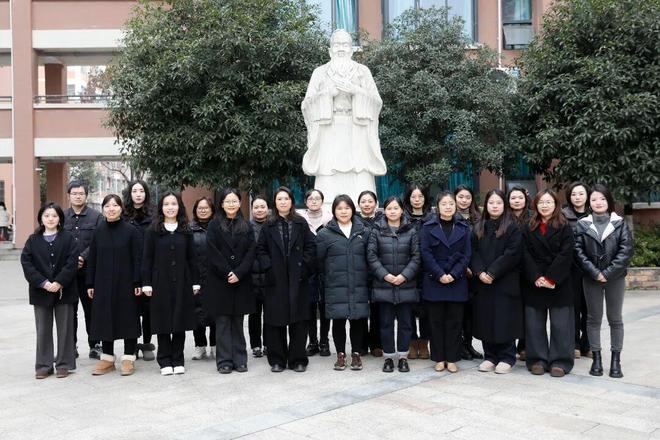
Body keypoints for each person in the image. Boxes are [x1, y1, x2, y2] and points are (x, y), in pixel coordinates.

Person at [301, 29, 387, 204]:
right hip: (329, 129)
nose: (341, 48)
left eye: (345, 44)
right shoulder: (320, 72)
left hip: (357, 128)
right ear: (330, 49)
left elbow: (376, 102)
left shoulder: (362, 71)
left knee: (360, 169)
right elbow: (306, 105)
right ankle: (327, 204)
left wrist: (356, 91)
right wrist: (327, 94)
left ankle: (364, 204)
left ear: (351, 49)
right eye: (337, 44)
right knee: (328, 168)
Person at [574, 184, 633, 378]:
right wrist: (595, 272)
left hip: (615, 278)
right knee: (593, 319)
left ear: (608, 201)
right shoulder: (582, 224)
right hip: (591, 278)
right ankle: (597, 359)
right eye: (594, 199)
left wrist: (607, 273)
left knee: (615, 319)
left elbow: (626, 250)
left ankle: (616, 360)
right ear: (589, 203)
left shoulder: (619, 223)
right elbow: (578, 252)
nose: (598, 202)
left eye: (602, 199)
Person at [257, 187, 316, 372]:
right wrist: (269, 268)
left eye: (286, 198)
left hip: (298, 279)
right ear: (275, 202)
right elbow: (261, 249)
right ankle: (277, 359)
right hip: (275, 279)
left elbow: (311, 247)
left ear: (291, 201)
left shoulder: (300, 222)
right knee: (275, 320)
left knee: (299, 320)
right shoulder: (268, 224)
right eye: (279, 199)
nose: (283, 202)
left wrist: (303, 268)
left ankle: (298, 359)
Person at [142, 192, 200, 376]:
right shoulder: (153, 230)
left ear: (179, 207)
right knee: (163, 321)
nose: (170, 207)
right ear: (161, 207)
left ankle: (178, 359)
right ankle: (165, 360)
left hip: (183, 281)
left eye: (173, 204)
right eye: (166, 204)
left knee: (180, 321)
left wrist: (195, 282)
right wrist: (146, 283)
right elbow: (147, 258)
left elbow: (192, 258)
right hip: (160, 282)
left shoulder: (185, 230)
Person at [86, 194, 142, 376]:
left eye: (115, 205)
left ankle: (128, 358)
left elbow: (137, 259)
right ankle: (107, 359)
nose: (111, 209)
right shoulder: (98, 231)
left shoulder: (131, 231)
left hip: (127, 283)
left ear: (121, 208)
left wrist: (138, 281)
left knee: (128, 318)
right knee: (104, 318)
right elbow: (92, 258)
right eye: (107, 206)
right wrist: (90, 283)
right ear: (103, 209)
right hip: (102, 283)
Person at [21, 203, 78, 379]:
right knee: (43, 329)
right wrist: (43, 283)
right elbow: (27, 263)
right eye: (46, 216)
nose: (50, 219)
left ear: (60, 218)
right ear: (41, 218)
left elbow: (72, 262)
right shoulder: (33, 240)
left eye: (54, 215)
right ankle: (44, 365)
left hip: (64, 291)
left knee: (65, 329)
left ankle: (64, 364)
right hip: (40, 291)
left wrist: (59, 282)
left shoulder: (68, 238)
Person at [522, 190, 575, 377]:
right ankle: (537, 359)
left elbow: (567, 253)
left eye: (549, 202)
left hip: (559, 281)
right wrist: (536, 276)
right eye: (541, 202)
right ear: (535, 205)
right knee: (534, 323)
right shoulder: (528, 226)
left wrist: (552, 278)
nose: (545, 205)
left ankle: (561, 361)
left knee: (561, 324)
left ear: (555, 204)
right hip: (535, 281)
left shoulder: (565, 226)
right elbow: (524, 253)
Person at [204, 189, 256, 374]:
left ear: (240, 203)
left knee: (238, 322)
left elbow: (251, 251)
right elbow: (212, 252)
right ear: (222, 204)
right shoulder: (214, 225)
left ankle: (240, 359)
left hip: (241, 281)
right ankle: (224, 361)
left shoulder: (246, 226)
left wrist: (239, 273)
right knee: (223, 322)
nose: (231, 204)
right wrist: (227, 272)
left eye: (234, 201)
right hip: (220, 281)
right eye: (228, 201)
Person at [471, 189, 523, 374]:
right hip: (483, 281)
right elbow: (472, 252)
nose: (495, 206)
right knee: (486, 318)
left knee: (504, 319)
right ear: (485, 205)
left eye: (499, 203)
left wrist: (492, 272)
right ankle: (490, 356)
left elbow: (512, 253)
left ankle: (507, 357)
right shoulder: (478, 226)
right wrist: (479, 272)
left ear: (504, 205)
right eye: (491, 202)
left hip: (504, 280)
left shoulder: (512, 227)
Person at [316, 194, 370, 371]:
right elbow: (319, 262)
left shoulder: (364, 232)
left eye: (347, 208)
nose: (344, 211)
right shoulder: (324, 234)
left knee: (357, 321)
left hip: (358, 284)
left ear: (352, 210)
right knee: (338, 321)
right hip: (335, 285)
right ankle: (340, 355)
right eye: (339, 208)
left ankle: (356, 354)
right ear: (334, 211)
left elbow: (370, 259)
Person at [367, 196, 420, 373]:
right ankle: (388, 357)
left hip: (406, 285)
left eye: (396, 208)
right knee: (386, 324)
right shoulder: (376, 230)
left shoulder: (411, 230)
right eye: (389, 208)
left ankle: (403, 357)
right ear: (384, 211)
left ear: (402, 210)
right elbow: (372, 256)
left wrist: (404, 276)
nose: (392, 211)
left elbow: (416, 257)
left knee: (405, 324)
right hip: (384, 285)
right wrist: (386, 275)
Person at [421, 192, 472, 373]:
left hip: (456, 281)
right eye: (444, 204)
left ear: (455, 206)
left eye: (451, 203)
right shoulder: (427, 227)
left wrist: (454, 274)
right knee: (435, 322)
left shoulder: (464, 227)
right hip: (434, 280)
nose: (448, 207)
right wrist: (440, 274)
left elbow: (466, 255)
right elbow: (425, 253)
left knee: (454, 322)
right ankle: (439, 358)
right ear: (438, 206)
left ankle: (452, 358)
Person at [63, 181, 103, 359]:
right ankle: (71, 347)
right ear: (69, 196)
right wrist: (71, 260)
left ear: (86, 195)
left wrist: (82, 257)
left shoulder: (96, 217)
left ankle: (95, 345)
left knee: (91, 310)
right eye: (74, 193)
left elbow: (99, 241)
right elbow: (59, 241)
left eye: (81, 193)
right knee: (69, 311)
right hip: (67, 274)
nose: (78, 196)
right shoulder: (62, 216)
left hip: (89, 273)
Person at [122, 180, 155, 361]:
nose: (138, 194)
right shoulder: (123, 214)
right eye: (134, 191)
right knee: (131, 309)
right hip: (129, 268)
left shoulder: (154, 214)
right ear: (130, 194)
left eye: (141, 191)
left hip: (150, 267)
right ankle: (132, 344)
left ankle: (147, 344)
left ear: (146, 193)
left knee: (149, 310)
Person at [300, 189, 332, 357]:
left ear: (322, 201)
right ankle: (312, 341)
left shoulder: (330, 219)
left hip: (326, 269)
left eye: (317, 198)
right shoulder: (300, 220)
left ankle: (324, 341)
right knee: (309, 306)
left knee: (325, 306)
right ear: (306, 202)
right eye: (310, 198)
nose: (314, 201)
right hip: (307, 270)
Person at [454, 185, 483, 361]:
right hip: (458, 271)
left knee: (471, 312)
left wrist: (476, 268)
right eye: (460, 197)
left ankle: (468, 344)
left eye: (467, 197)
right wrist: (463, 266)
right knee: (459, 312)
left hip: (475, 272)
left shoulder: (478, 218)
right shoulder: (450, 216)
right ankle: (459, 346)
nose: (464, 200)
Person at [562, 182, 591, 358]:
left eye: (581, 194)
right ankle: (574, 344)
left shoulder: (594, 214)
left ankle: (588, 343)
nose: (577, 197)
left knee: (590, 308)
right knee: (573, 307)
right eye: (574, 194)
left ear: (587, 195)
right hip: (571, 268)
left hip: (591, 269)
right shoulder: (563, 215)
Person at [403, 183, 431, 360]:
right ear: (408, 199)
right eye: (413, 196)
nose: (417, 200)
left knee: (426, 309)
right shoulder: (403, 218)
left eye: (420, 196)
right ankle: (412, 342)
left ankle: (425, 342)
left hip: (427, 271)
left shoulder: (432, 218)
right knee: (409, 309)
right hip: (407, 270)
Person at [190, 197, 216, 360]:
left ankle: (215, 345)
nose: (203, 210)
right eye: (200, 208)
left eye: (206, 207)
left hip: (214, 277)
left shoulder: (218, 227)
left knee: (215, 312)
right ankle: (199, 345)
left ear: (212, 210)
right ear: (195, 210)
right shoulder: (189, 229)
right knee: (197, 312)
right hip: (196, 276)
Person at [358, 190, 384, 357]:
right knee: (360, 309)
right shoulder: (353, 220)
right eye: (363, 201)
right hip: (359, 270)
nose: (367, 204)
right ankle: (360, 345)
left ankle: (376, 343)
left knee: (377, 309)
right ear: (359, 204)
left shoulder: (383, 220)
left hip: (378, 270)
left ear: (376, 203)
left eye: (370, 201)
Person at [507, 185, 532, 361]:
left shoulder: (533, 217)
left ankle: (524, 345)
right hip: (509, 269)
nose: (517, 201)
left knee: (527, 309)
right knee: (511, 309)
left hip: (528, 269)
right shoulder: (504, 217)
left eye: (520, 197)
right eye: (513, 198)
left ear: (526, 199)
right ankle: (509, 345)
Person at [249, 195, 269, 358]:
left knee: (270, 313)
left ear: (268, 208)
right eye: (256, 207)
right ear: (252, 209)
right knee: (254, 314)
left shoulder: (273, 225)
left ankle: (269, 343)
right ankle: (256, 345)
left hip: (270, 276)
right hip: (251, 277)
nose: (259, 210)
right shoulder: (247, 227)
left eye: (262, 207)